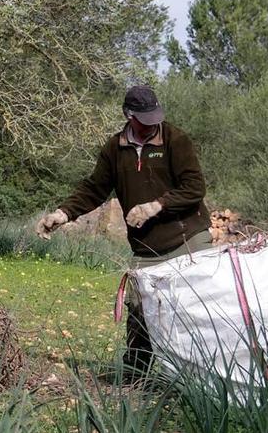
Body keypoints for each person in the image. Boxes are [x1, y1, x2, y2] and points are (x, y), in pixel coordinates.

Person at [34, 85, 211, 378]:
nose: (153, 123)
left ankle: (202, 374)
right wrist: (63, 213)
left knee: (199, 305)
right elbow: (94, 189)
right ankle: (135, 373)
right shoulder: (115, 149)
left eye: (156, 116)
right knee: (139, 308)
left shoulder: (175, 140)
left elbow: (195, 188)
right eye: (146, 118)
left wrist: (155, 206)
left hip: (188, 237)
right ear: (129, 115)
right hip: (147, 247)